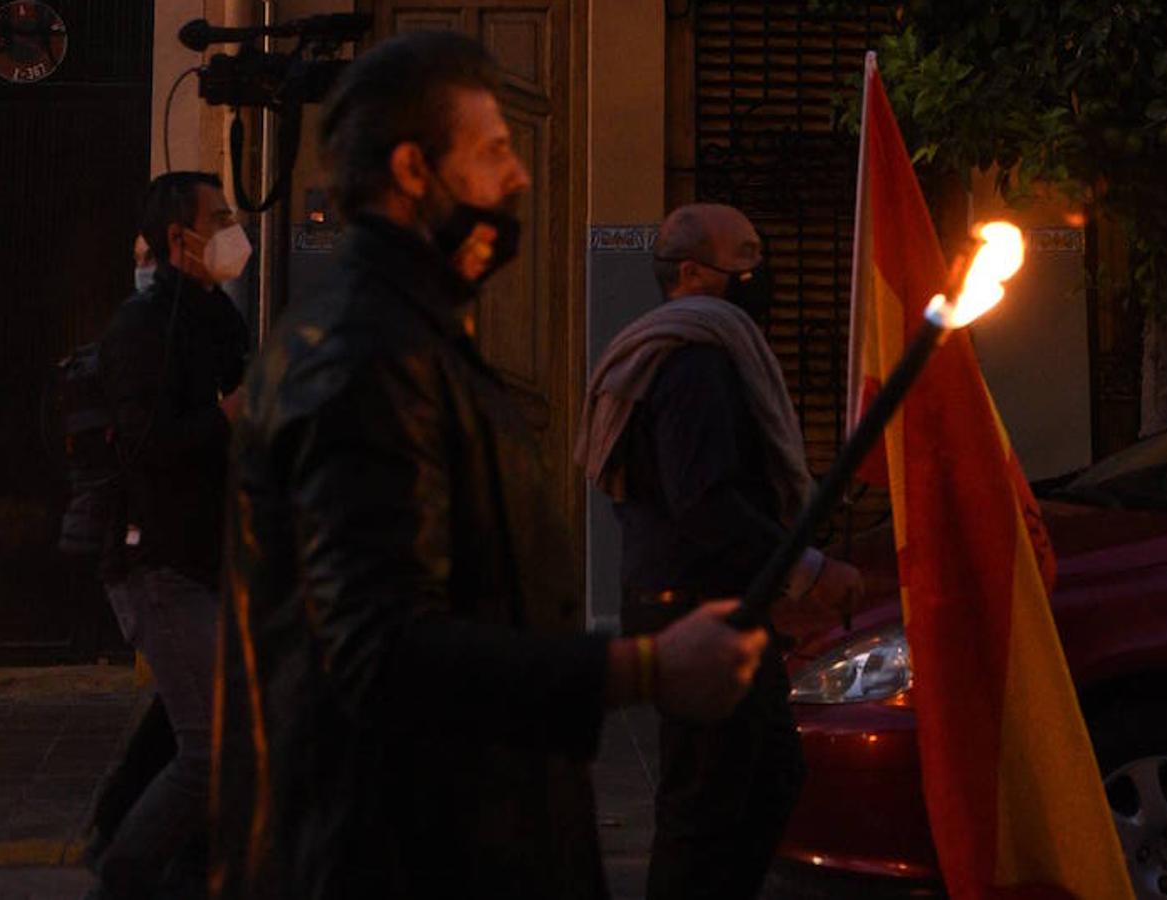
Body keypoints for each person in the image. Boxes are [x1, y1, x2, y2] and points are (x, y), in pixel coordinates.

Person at [210, 31, 769, 900]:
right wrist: (644, 669)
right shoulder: (365, 359)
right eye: (497, 150)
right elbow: (379, 654)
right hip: (401, 858)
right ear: (411, 170)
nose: (519, 178)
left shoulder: (417, 338)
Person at [576, 203, 866, 900]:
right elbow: (703, 500)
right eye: (743, 259)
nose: (756, 275)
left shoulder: (685, 349)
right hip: (696, 610)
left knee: (760, 781)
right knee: (708, 805)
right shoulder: (693, 361)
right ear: (691, 272)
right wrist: (808, 571)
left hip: (701, 601)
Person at [87, 172, 251, 899]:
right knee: (213, 747)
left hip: (212, 556)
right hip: (158, 561)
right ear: (180, 237)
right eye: (218, 217)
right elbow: (147, 450)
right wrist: (231, 416)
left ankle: (179, 864)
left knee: (210, 720)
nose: (232, 228)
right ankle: (119, 871)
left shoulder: (218, 319)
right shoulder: (142, 328)